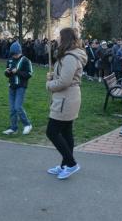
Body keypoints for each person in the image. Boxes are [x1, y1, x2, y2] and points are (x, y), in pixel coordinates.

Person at [46, 28, 87, 179]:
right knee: (66, 132)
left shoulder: (70, 57)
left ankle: (71, 164)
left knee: (52, 131)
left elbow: (65, 81)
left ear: (65, 39)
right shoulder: (68, 55)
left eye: (59, 36)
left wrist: (50, 84)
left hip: (66, 98)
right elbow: (63, 76)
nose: (57, 38)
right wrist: (53, 75)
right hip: (66, 97)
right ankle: (65, 165)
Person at [2, 41, 33, 135]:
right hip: (12, 86)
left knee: (18, 107)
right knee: (12, 109)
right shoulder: (10, 60)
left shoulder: (25, 60)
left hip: (21, 87)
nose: (14, 56)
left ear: (19, 52)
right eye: (12, 54)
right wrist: (7, 72)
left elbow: (29, 74)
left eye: (15, 54)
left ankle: (27, 125)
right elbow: (7, 72)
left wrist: (17, 72)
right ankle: (13, 128)